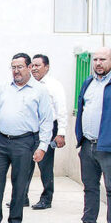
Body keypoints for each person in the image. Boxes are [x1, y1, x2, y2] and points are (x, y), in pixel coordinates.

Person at [0, 53, 53, 223]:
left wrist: (42, 146)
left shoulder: (40, 91)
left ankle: (15, 220)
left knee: (20, 182)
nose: (16, 71)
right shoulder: (2, 89)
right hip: (2, 140)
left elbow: (46, 121)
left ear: (29, 67)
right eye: (13, 67)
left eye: (20, 67)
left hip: (25, 142)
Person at [68, 47, 111, 223]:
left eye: (102, 59)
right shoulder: (89, 82)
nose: (98, 63)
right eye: (95, 59)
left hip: (109, 147)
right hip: (88, 144)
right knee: (90, 187)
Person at [26, 54, 67, 210]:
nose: (34, 68)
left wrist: (61, 133)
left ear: (47, 67)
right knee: (25, 164)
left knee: (45, 166)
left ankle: (46, 199)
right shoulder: (28, 84)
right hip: (29, 130)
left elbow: (61, 110)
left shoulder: (53, 85)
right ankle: (22, 196)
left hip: (48, 129)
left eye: (38, 65)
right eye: (32, 65)